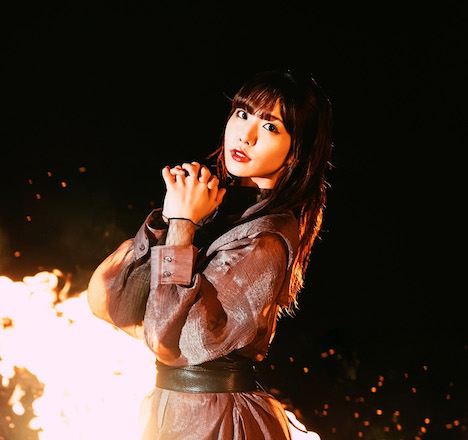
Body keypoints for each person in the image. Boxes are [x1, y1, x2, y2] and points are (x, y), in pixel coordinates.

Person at [87, 69, 333, 440]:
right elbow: (116, 304)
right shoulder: (217, 213)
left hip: (217, 420)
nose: (246, 135)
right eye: (243, 114)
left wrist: (182, 225)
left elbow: (166, 337)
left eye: (270, 127)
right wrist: (169, 221)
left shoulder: (266, 240)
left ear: (296, 150)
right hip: (176, 410)